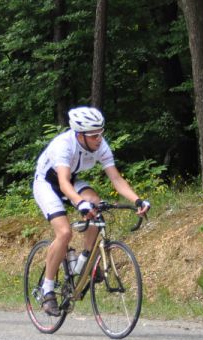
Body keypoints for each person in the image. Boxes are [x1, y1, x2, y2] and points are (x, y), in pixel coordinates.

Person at [31, 106, 150, 316]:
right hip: (48, 183)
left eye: (101, 133)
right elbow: (63, 183)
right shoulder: (63, 145)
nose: (99, 139)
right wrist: (79, 203)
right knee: (65, 233)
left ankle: (84, 262)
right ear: (79, 135)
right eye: (94, 135)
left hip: (72, 181)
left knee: (95, 203)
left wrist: (137, 200)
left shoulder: (100, 144)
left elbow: (116, 179)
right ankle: (47, 289)